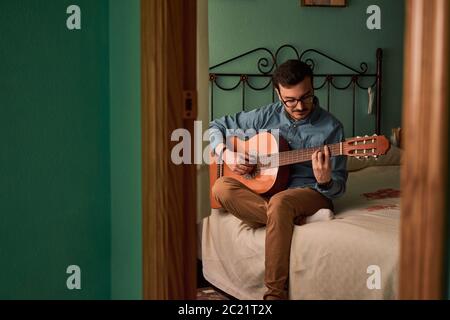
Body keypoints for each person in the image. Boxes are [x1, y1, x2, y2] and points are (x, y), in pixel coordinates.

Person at [208, 59, 348, 300]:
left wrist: (325, 181)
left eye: (306, 97)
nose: (300, 106)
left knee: (280, 203)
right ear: (278, 94)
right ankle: (298, 220)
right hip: (267, 190)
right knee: (221, 187)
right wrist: (227, 153)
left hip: (309, 191)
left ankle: (274, 295)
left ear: (313, 88)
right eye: (290, 100)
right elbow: (215, 126)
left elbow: (337, 188)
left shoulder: (332, 127)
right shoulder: (266, 115)